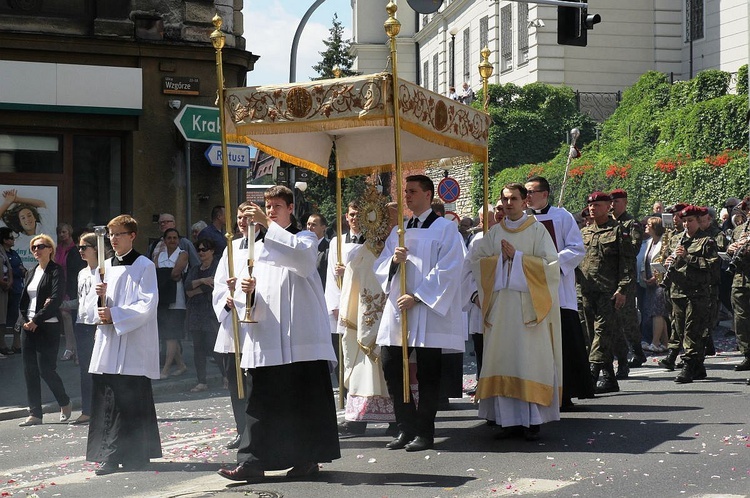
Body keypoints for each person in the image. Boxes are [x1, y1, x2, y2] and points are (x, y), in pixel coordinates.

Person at [216, 186, 340, 482]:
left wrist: (267, 224)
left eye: (276, 206)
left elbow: (303, 263)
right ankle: (252, 463)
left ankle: (307, 459)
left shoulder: (305, 239)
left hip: (302, 340)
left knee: (303, 401)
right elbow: (265, 293)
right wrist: (249, 293)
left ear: (291, 208)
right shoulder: (256, 248)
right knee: (261, 403)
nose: (270, 211)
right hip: (268, 338)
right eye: (267, 206)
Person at [374, 175, 465, 452]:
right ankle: (405, 427)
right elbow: (380, 266)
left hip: (427, 310)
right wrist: (393, 261)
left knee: (428, 374)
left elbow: (450, 268)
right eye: (405, 191)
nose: (407, 196)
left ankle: (424, 431)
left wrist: (419, 296)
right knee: (391, 367)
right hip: (398, 310)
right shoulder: (398, 231)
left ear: (428, 194)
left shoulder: (445, 229)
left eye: (412, 191)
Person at [467, 183, 561, 440]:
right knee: (503, 359)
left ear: (524, 201)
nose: (509, 204)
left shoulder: (537, 230)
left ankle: (532, 421)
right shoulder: (494, 233)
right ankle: (506, 421)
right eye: (505, 199)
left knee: (526, 361)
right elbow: (475, 262)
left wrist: (518, 258)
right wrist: (499, 261)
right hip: (500, 308)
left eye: (514, 199)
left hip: (528, 308)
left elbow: (551, 267)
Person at [87, 214, 162, 475]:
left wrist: (116, 315)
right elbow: (89, 308)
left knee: (132, 400)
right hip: (110, 343)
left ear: (132, 236)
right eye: (110, 234)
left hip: (133, 345)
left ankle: (136, 455)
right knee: (110, 401)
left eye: (118, 234)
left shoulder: (144, 266)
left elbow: (147, 304)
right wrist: (99, 303)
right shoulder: (104, 266)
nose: (112, 239)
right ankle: (108, 455)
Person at [524, 176, 594, 408]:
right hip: (530, 290)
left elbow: (576, 249)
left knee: (563, 345)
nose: (528, 197)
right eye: (526, 192)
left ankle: (565, 392)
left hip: (558, 291)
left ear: (545, 194)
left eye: (532, 192)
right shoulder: (521, 220)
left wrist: (550, 264)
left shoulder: (562, 217)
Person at [334, 185, 396, 437]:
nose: (387, 226)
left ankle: (397, 419)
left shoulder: (399, 250)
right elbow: (349, 289)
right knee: (362, 369)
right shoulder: (360, 254)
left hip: (394, 321)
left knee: (394, 370)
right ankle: (358, 419)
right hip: (363, 322)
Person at [579, 192, 632, 394]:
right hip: (586, 290)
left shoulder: (619, 231)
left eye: (598, 205)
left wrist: (622, 289)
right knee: (593, 335)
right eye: (591, 205)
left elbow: (627, 264)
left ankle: (591, 376)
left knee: (601, 333)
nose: (593, 208)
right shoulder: (585, 232)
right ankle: (609, 377)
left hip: (608, 291)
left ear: (609, 206)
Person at [212, 204, 254, 451]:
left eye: (246, 218)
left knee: (252, 383)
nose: (241, 222)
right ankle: (241, 429)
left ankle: (255, 430)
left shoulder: (264, 246)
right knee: (234, 381)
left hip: (254, 323)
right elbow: (218, 284)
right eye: (238, 218)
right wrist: (225, 299)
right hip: (232, 323)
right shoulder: (231, 248)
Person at [18, 234, 72, 426]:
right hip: (28, 325)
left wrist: (37, 320)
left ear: (50, 249)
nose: (36, 250)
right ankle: (35, 413)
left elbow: (55, 299)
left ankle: (64, 401)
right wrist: (26, 319)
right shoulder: (31, 272)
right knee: (29, 370)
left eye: (41, 246)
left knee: (46, 369)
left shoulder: (55, 271)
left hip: (47, 325)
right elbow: (24, 300)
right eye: (34, 247)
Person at [662, 205, 717, 383]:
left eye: (690, 221)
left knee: (692, 331)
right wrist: (667, 263)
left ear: (698, 222)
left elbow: (712, 265)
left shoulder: (706, 241)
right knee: (679, 329)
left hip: (697, 292)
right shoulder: (677, 239)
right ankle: (699, 367)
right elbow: (670, 262)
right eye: (684, 221)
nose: (686, 224)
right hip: (677, 291)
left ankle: (688, 366)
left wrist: (688, 257)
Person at [69, 231, 106, 425]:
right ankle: (87, 409)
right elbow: (81, 300)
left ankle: (104, 408)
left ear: (95, 248)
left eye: (84, 247)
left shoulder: (104, 270)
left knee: (102, 369)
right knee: (85, 369)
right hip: (82, 324)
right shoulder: (82, 273)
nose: (81, 251)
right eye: (79, 248)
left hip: (98, 325)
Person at [609, 189, 645, 379]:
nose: (613, 205)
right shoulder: (607, 223)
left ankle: (636, 350)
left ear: (625, 203)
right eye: (611, 202)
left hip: (626, 275)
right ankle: (627, 355)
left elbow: (634, 248)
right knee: (614, 319)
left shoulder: (632, 224)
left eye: (617, 202)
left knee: (627, 316)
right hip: (610, 275)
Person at [184, 238, 223, 392]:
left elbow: (214, 287)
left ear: (212, 250)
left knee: (215, 347)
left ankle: (225, 376)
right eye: (199, 250)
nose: (201, 252)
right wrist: (202, 280)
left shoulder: (217, 266)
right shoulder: (195, 269)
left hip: (211, 312)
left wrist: (196, 288)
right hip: (196, 313)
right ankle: (202, 381)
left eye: (204, 249)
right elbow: (187, 287)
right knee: (198, 349)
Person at [153, 228, 188, 379]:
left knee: (171, 335)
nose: (172, 240)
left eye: (175, 238)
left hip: (177, 301)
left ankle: (166, 369)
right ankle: (181, 365)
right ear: (165, 240)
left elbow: (176, 272)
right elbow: (153, 273)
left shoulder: (183, 254)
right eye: (169, 238)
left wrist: (163, 273)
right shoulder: (159, 255)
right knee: (166, 334)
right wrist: (169, 274)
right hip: (162, 299)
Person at [0, 189, 54, 269]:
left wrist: (17, 199)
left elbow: (41, 204)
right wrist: (8, 202)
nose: (27, 220)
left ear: (35, 217)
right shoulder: (15, 237)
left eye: (29, 215)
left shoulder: (46, 230)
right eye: (23, 218)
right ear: (19, 222)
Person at [639, 217, 669, 353]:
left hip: (660, 282)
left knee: (658, 312)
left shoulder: (664, 242)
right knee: (655, 312)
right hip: (650, 282)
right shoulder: (650, 242)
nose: (646, 226)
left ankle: (655, 342)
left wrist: (656, 277)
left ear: (655, 227)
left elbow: (665, 262)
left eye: (649, 225)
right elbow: (646, 261)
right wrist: (645, 275)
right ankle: (666, 342)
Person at [56, 223, 85, 363]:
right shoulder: (58, 249)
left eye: (64, 232)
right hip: (61, 286)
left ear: (70, 232)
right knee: (65, 315)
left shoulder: (76, 249)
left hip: (73, 286)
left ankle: (77, 350)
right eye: (60, 232)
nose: (62, 235)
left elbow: (78, 270)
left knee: (72, 317)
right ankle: (70, 348)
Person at [1, 227, 23, 355]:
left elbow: (21, 267)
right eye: (10, 237)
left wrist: (22, 271)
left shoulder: (14, 253)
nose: (13, 239)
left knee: (17, 318)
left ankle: (16, 344)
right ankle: (2, 345)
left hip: (16, 289)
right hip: (4, 290)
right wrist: (17, 271)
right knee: (2, 318)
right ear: (4, 240)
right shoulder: (2, 254)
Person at [306, 213, 329, 288]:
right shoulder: (303, 246)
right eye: (308, 224)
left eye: (314, 225)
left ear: (323, 227)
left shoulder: (329, 248)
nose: (310, 227)